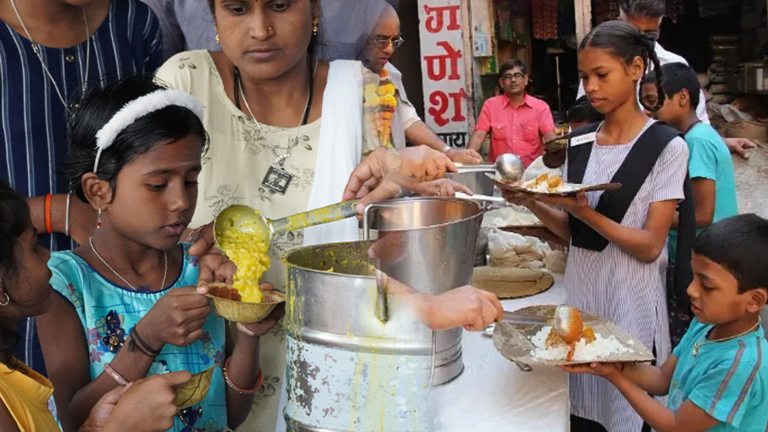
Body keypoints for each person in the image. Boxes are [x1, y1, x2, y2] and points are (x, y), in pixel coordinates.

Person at [36, 77, 283, 432]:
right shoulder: (64, 282)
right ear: (98, 191)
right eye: (157, 184)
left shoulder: (202, 269)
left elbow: (233, 413)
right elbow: (73, 419)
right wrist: (147, 337)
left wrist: (248, 329)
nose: (181, 201)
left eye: (191, 180)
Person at [504, 21, 691, 432]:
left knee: (628, 414)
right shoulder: (581, 142)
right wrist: (532, 200)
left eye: (601, 75)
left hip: (632, 311)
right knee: (585, 414)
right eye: (585, 77)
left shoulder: (666, 146)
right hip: (584, 305)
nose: (591, 87)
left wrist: (584, 210)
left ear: (637, 68)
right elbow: (579, 238)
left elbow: (648, 245)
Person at [0, 0, 164, 379]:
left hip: (132, 303)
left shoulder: (132, 23)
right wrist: (55, 211)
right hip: (15, 303)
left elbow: (165, 153)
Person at [0, 178, 199, 432]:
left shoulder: (13, 374)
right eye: (34, 247)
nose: (47, 253)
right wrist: (121, 427)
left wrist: (93, 427)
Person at [561, 214, 768, 432]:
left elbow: (676, 426)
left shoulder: (739, 364)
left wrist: (614, 377)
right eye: (693, 276)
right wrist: (613, 364)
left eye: (707, 285)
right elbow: (662, 380)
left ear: (754, 300)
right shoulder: (706, 325)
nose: (691, 290)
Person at [576, 0, 755, 159]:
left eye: (650, 34)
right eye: (635, 34)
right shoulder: (598, 71)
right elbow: (582, 122)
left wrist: (718, 142)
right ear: (619, 23)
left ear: (660, 23)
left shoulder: (675, 65)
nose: (643, 43)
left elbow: (696, 124)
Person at [641, 63, 739, 348]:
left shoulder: (696, 141)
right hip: (698, 254)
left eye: (653, 100)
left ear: (682, 98)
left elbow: (702, 214)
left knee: (689, 341)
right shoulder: (691, 138)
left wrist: (650, 219)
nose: (649, 110)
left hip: (699, 258)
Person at [351, 1, 482, 164]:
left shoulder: (390, 73)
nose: (390, 49)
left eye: (394, 41)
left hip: (386, 177)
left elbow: (408, 119)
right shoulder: (335, 75)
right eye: (381, 40)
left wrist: (449, 152)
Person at [468, 59, 558, 167]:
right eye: (508, 77)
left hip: (532, 175)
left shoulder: (540, 107)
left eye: (517, 75)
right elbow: (478, 136)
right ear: (501, 83)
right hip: (499, 174)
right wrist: (467, 158)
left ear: (526, 79)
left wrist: (557, 159)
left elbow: (550, 138)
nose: (513, 80)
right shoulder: (491, 105)